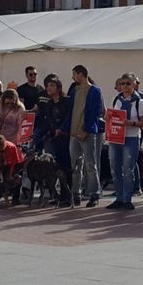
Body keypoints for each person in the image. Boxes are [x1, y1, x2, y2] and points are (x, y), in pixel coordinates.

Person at [62, 64, 104, 207]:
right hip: (74, 133)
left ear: (81, 74)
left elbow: (94, 113)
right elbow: (71, 111)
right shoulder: (75, 91)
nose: (73, 77)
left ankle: (94, 193)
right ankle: (75, 192)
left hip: (87, 133)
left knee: (90, 164)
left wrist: (86, 130)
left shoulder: (94, 91)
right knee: (75, 164)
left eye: (74, 74)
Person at [106, 73, 143, 210]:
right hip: (116, 138)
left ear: (134, 85)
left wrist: (132, 123)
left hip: (131, 138)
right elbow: (114, 117)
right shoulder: (117, 99)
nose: (125, 86)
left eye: (128, 83)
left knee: (127, 169)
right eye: (123, 83)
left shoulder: (139, 101)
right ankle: (118, 197)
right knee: (115, 168)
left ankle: (127, 199)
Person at [37, 77, 72, 206]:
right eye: (47, 86)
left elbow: (69, 117)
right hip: (54, 138)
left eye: (52, 85)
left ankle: (68, 196)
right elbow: (49, 120)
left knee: (66, 167)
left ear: (58, 87)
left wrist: (62, 128)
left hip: (66, 137)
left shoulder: (66, 101)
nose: (49, 88)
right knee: (56, 167)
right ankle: (59, 196)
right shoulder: (49, 104)